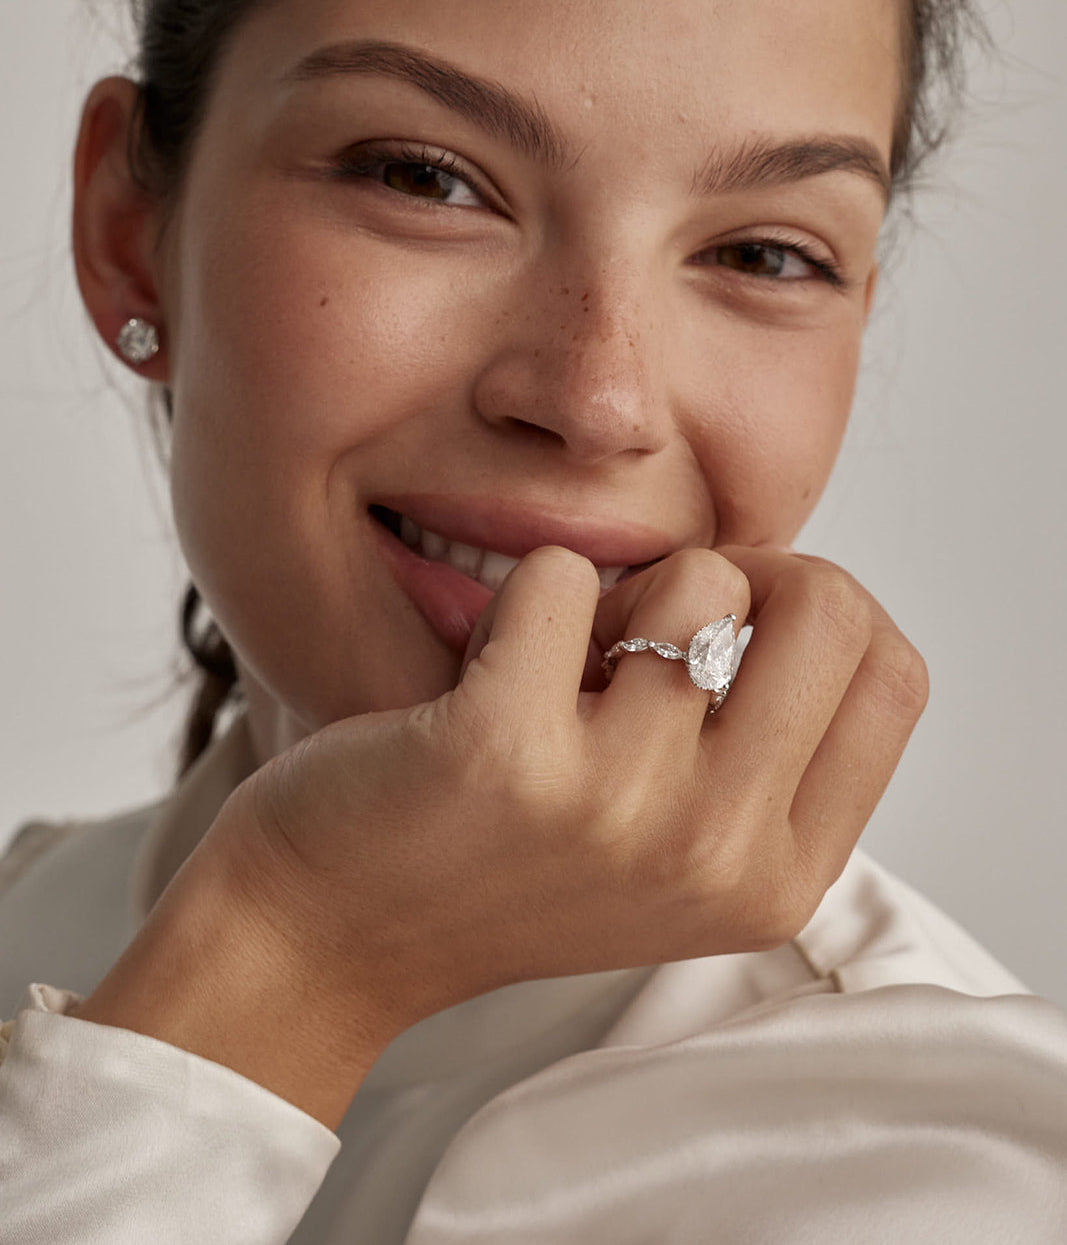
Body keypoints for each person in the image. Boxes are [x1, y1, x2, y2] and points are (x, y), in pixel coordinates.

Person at [1, 0, 1066, 1240]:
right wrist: (286, 968)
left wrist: (303, 954)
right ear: (128, 233)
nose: (597, 399)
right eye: (426, 179)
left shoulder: (935, 1169)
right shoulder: (32, 913)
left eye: (762, 255)